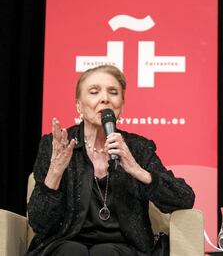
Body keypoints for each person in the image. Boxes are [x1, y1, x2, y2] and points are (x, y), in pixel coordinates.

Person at [26, 65, 195, 256]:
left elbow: (185, 198)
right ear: (78, 106)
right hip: (65, 242)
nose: (105, 98)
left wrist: (138, 170)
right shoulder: (56, 145)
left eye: (113, 92)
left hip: (123, 247)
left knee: (105, 253)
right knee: (71, 251)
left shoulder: (137, 148)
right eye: (94, 91)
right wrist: (55, 173)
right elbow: (38, 222)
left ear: (121, 106)